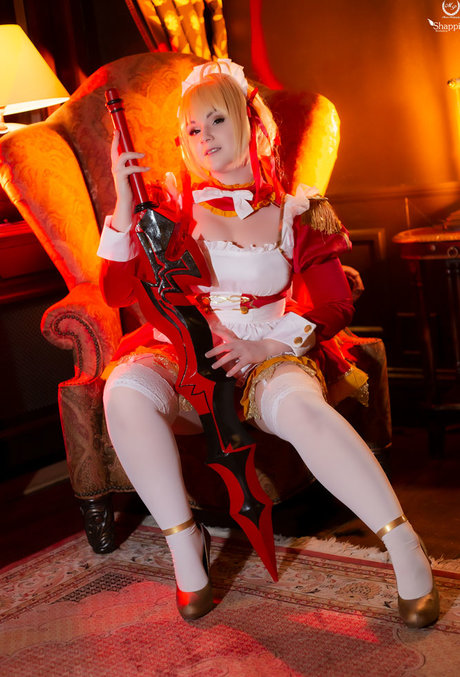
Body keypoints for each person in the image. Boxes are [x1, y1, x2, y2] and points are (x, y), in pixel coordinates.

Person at [97, 59, 439, 627]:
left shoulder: (299, 210)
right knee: (124, 390)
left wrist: (267, 347)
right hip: (185, 355)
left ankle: (404, 544)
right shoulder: (165, 204)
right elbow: (113, 292)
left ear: (250, 121)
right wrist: (123, 203)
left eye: (216, 120)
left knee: (302, 408)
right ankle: (185, 544)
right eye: (192, 128)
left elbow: (336, 304)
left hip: (269, 350)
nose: (204, 136)